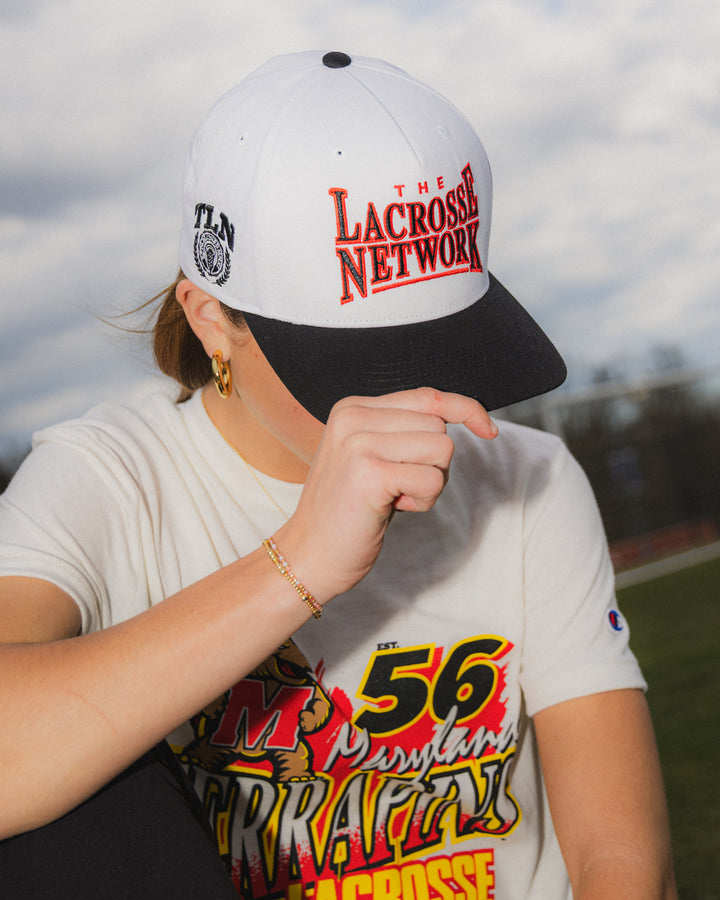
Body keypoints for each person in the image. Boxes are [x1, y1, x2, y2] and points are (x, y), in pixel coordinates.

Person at [0, 50, 676, 899]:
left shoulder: (524, 477)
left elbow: (623, 860)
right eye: (358, 361)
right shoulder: (108, 479)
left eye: (442, 343)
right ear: (210, 318)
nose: (413, 395)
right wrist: (301, 562)